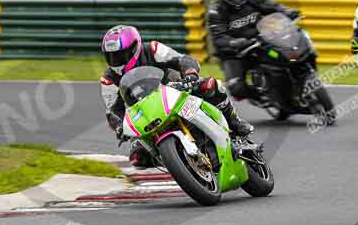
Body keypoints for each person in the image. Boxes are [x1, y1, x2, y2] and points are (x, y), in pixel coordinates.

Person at [100, 24, 253, 168]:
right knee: (137, 157)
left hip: (176, 90)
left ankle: (235, 122)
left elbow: (182, 60)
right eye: (111, 56)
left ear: (135, 48)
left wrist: (190, 74)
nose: (116, 61)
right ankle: (180, 163)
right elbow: (112, 110)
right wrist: (120, 126)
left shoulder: (152, 49)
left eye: (120, 55)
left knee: (211, 85)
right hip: (146, 113)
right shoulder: (108, 79)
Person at [208, 0, 300, 100]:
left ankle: (293, 82)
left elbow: (273, 7)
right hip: (233, 53)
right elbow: (218, 37)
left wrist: (287, 12)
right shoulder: (216, 10)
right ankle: (261, 96)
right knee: (237, 89)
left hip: (258, 41)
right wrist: (234, 42)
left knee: (287, 57)